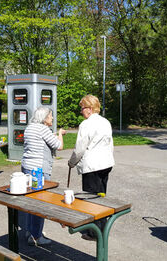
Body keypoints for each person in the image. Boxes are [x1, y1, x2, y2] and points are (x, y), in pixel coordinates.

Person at [68, 94, 114, 241]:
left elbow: (80, 148)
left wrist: (72, 162)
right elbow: (110, 143)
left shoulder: (86, 124)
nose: (81, 111)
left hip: (92, 166)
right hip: (106, 163)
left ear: (89, 108)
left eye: (82, 108)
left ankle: (95, 233)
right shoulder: (105, 122)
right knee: (101, 196)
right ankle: (103, 228)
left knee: (90, 199)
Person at [21, 106, 66, 246]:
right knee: (40, 202)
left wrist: (52, 134)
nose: (52, 118)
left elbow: (41, 140)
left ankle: (30, 230)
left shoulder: (30, 128)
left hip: (26, 167)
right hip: (38, 171)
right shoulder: (43, 129)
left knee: (31, 201)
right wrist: (59, 133)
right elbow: (59, 146)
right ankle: (36, 236)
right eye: (51, 116)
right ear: (45, 118)